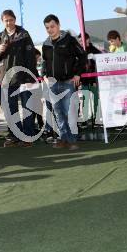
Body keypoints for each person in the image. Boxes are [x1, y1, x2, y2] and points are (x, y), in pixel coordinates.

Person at [0, 9, 39, 147]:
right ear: (2, 21)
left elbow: (31, 58)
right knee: (11, 110)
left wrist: (31, 78)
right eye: (6, 20)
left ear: (15, 20)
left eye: (11, 20)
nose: (9, 22)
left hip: (23, 78)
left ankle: (28, 136)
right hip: (6, 80)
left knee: (27, 108)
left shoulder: (24, 34)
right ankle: (14, 136)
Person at [42, 14, 87, 150]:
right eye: (47, 27)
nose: (50, 29)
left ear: (58, 25)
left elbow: (82, 56)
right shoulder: (46, 44)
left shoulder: (69, 40)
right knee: (58, 113)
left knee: (69, 113)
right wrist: (44, 74)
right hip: (52, 84)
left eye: (52, 26)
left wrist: (78, 74)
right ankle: (63, 139)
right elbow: (45, 62)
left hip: (68, 82)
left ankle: (72, 140)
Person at [77, 32, 101, 126]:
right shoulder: (78, 50)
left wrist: (95, 57)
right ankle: (85, 118)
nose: (81, 43)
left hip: (94, 79)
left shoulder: (93, 49)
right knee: (85, 99)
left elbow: (101, 58)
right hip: (84, 80)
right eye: (79, 41)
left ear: (87, 39)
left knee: (95, 99)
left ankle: (96, 118)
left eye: (82, 40)